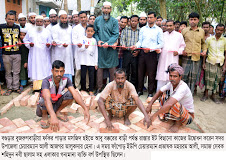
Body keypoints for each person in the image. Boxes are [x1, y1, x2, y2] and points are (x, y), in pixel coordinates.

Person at [36, 60, 90, 130]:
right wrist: (52, 116)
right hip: (43, 107)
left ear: (64, 71)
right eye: (56, 71)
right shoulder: (46, 81)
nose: (59, 74)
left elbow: (75, 93)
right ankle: (45, 115)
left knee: (70, 94)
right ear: (52, 71)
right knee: (43, 99)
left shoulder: (66, 80)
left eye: (61, 71)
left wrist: (85, 108)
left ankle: (57, 112)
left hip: (55, 104)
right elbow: (46, 99)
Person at [146, 63, 194, 132]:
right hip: (180, 110)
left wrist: (154, 115)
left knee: (172, 103)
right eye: (170, 76)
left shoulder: (183, 87)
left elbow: (170, 104)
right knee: (163, 96)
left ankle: (178, 123)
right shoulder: (170, 83)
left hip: (188, 116)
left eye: (175, 76)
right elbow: (159, 92)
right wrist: (150, 104)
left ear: (180, 77)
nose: (172, 78)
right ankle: (171, 117)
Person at [133, 11, 164, 97]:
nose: (149, 19)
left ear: (155, 18)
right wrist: (135, 46)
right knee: (140, 73)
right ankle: (140, 90)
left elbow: (161, 44)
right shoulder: (143, 29)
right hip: (142, 53)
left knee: (151, 73)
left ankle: (150, 92)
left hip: (152, 54)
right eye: (148, 17)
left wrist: (150, 49)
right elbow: (140, 41)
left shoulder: (159, 30)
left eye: (151, 17)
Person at [94, 1, 119, 94]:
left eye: (108, 8)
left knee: (112, 70)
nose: (106, 10)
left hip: (111, 49)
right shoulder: (97, 20)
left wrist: (108, 42)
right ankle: (99, 88)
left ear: (111, 10)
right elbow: (95, 33)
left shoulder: (114, 21)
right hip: (100, 49)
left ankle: (112, 89)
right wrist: (98, 40)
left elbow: (116, 34)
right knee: (99, 70)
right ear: (102, 9)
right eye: (105, 8)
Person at [156, 20, 186, 91]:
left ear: (174, 26)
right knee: (162, 76)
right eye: (167, 26)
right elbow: (159, 46)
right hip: (163, 58)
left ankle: (171, 96)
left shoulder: (179, 35)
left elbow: (182, 46)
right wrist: (158, 50)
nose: (169, 27)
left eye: (170, 25)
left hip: (173, 58)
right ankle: (160, 95)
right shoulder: (162, 35)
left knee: (173, 75)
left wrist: (178, 52)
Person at [23, 15, 52, 89]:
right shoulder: (30, 31)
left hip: (44, 55)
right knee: (35, 71)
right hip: (34, 54)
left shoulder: (47, 31)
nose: (39, 23)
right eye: (37, 21)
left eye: (40, 21)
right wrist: (29, 45)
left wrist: (49, 45)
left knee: (45, 70)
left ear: (43, 22)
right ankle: (36, 88)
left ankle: (45, 87)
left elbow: (50, 41)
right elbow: (25, 40)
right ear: (35, 22)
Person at [181, 12, 207, 94]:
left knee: (193, 77)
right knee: (184, 76)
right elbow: (180, 43)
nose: (193, 21)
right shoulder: (184, 31)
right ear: (189, 20)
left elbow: (203, 43)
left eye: (195, 19)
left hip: (196, 57)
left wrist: (204, 51)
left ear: (198, 20)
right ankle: (182, 94)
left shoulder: (201, 31)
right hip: (186, 57)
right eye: (191, 19)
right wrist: (182, 50)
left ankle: (190, 94)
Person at [201, 24, 226, 103]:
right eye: (218, 29)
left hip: (220, 63)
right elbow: (205, 51)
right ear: (215, 30)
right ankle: (206, 94)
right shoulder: (209, 39)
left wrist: (225, 65)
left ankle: (213, 95)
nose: (219, 31)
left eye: (221, 30)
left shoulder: (225, 40)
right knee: (207, 78)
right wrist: (204, 63)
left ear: (223, 31)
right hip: (210, 61)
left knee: (217, 79)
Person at [0, 11, 21, 95]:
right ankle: (9, 88)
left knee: (16, 72)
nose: (11, 21)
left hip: (17, 53)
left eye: (13, 19)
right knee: (8, 72)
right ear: (6, 19)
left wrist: (19, 41)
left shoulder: (17, 27)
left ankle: (16, 87)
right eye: (9, 19)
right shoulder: (1, 27)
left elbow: (19, 38)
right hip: (6, 54)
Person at [52, 10, 74, 81]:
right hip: (59, 52)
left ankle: (68, 85)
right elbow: (55, 39)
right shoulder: (54, 28)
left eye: (65, 18)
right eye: (62, 18)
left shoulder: (70, 28)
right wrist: (61, 44)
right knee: (59, 68)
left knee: (68, 68)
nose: (64, 20)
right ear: (59, 18)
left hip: (68, 52)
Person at [77, 25, 98, 95]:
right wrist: (84, 47)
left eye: (91, 31)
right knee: (83, 75)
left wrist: (96, 63)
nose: (89, 32)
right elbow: (79, 49)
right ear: (85, 31)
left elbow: (95, 52)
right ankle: (83, 89)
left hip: (91, 62)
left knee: (91, 76)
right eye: (88, 31)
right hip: (83, 61)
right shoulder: (82, 39)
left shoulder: (94, 40)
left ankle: (91, 90)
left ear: (94, 32)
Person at [121, 15, 140, 88]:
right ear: (130, 21)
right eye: (132, 21)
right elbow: (122, 40)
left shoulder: (140, 31)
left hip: (136, 53)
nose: (134, 23)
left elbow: (141, 41)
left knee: (135, 71)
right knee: (126, 70)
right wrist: (124, 46)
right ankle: (125, 86)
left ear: (137, 22)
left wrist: (138, 51)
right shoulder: (125, 30)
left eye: (135, 21)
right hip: (127, 52)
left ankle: (133, 87)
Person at [73, 11, 89, 89]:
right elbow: (73, 40)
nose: (83, 19)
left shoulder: (90, 27)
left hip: (88, 52)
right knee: (78, 70)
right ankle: (77, 86)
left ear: (87, 17)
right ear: (79, 18)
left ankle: (87, 86)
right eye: (81, 17)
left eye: (84, 17)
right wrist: (78, 43)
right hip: (79, 52)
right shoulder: (76, 28)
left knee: (87, 70)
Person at [19, 28, 29, 92]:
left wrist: (26, 61)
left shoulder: (26, 42)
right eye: (21, 35)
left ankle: (23, 84)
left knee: (24, 72)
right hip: (19, 59)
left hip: (25, 59)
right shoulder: (19, 42)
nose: (22, 37)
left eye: (24, 35)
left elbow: (26, 53)